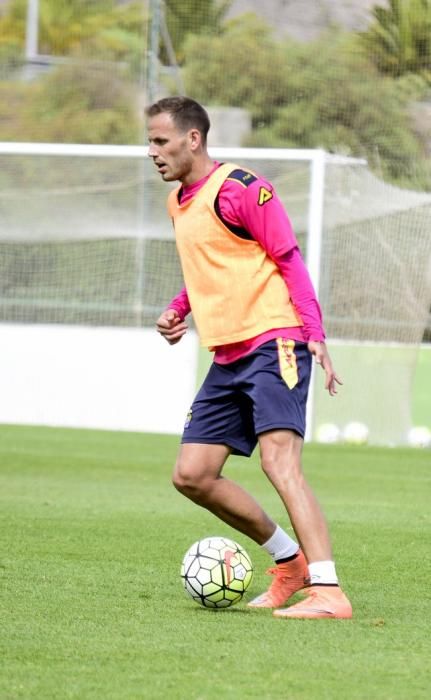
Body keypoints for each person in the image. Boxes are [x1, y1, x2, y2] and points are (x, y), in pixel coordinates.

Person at [148, 96, 352, 619]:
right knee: (193, 474)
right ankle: (290, 562)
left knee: (278, 463)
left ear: (193, 139)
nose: (153, 152)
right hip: (227, 354)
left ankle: (329, 591)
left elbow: (287, 257)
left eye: (160, 141)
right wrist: (178, 310)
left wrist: (314, 334)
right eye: (150, 142)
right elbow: (209, 268)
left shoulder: (241, 189)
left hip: (275, 341)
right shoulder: (177, 203)